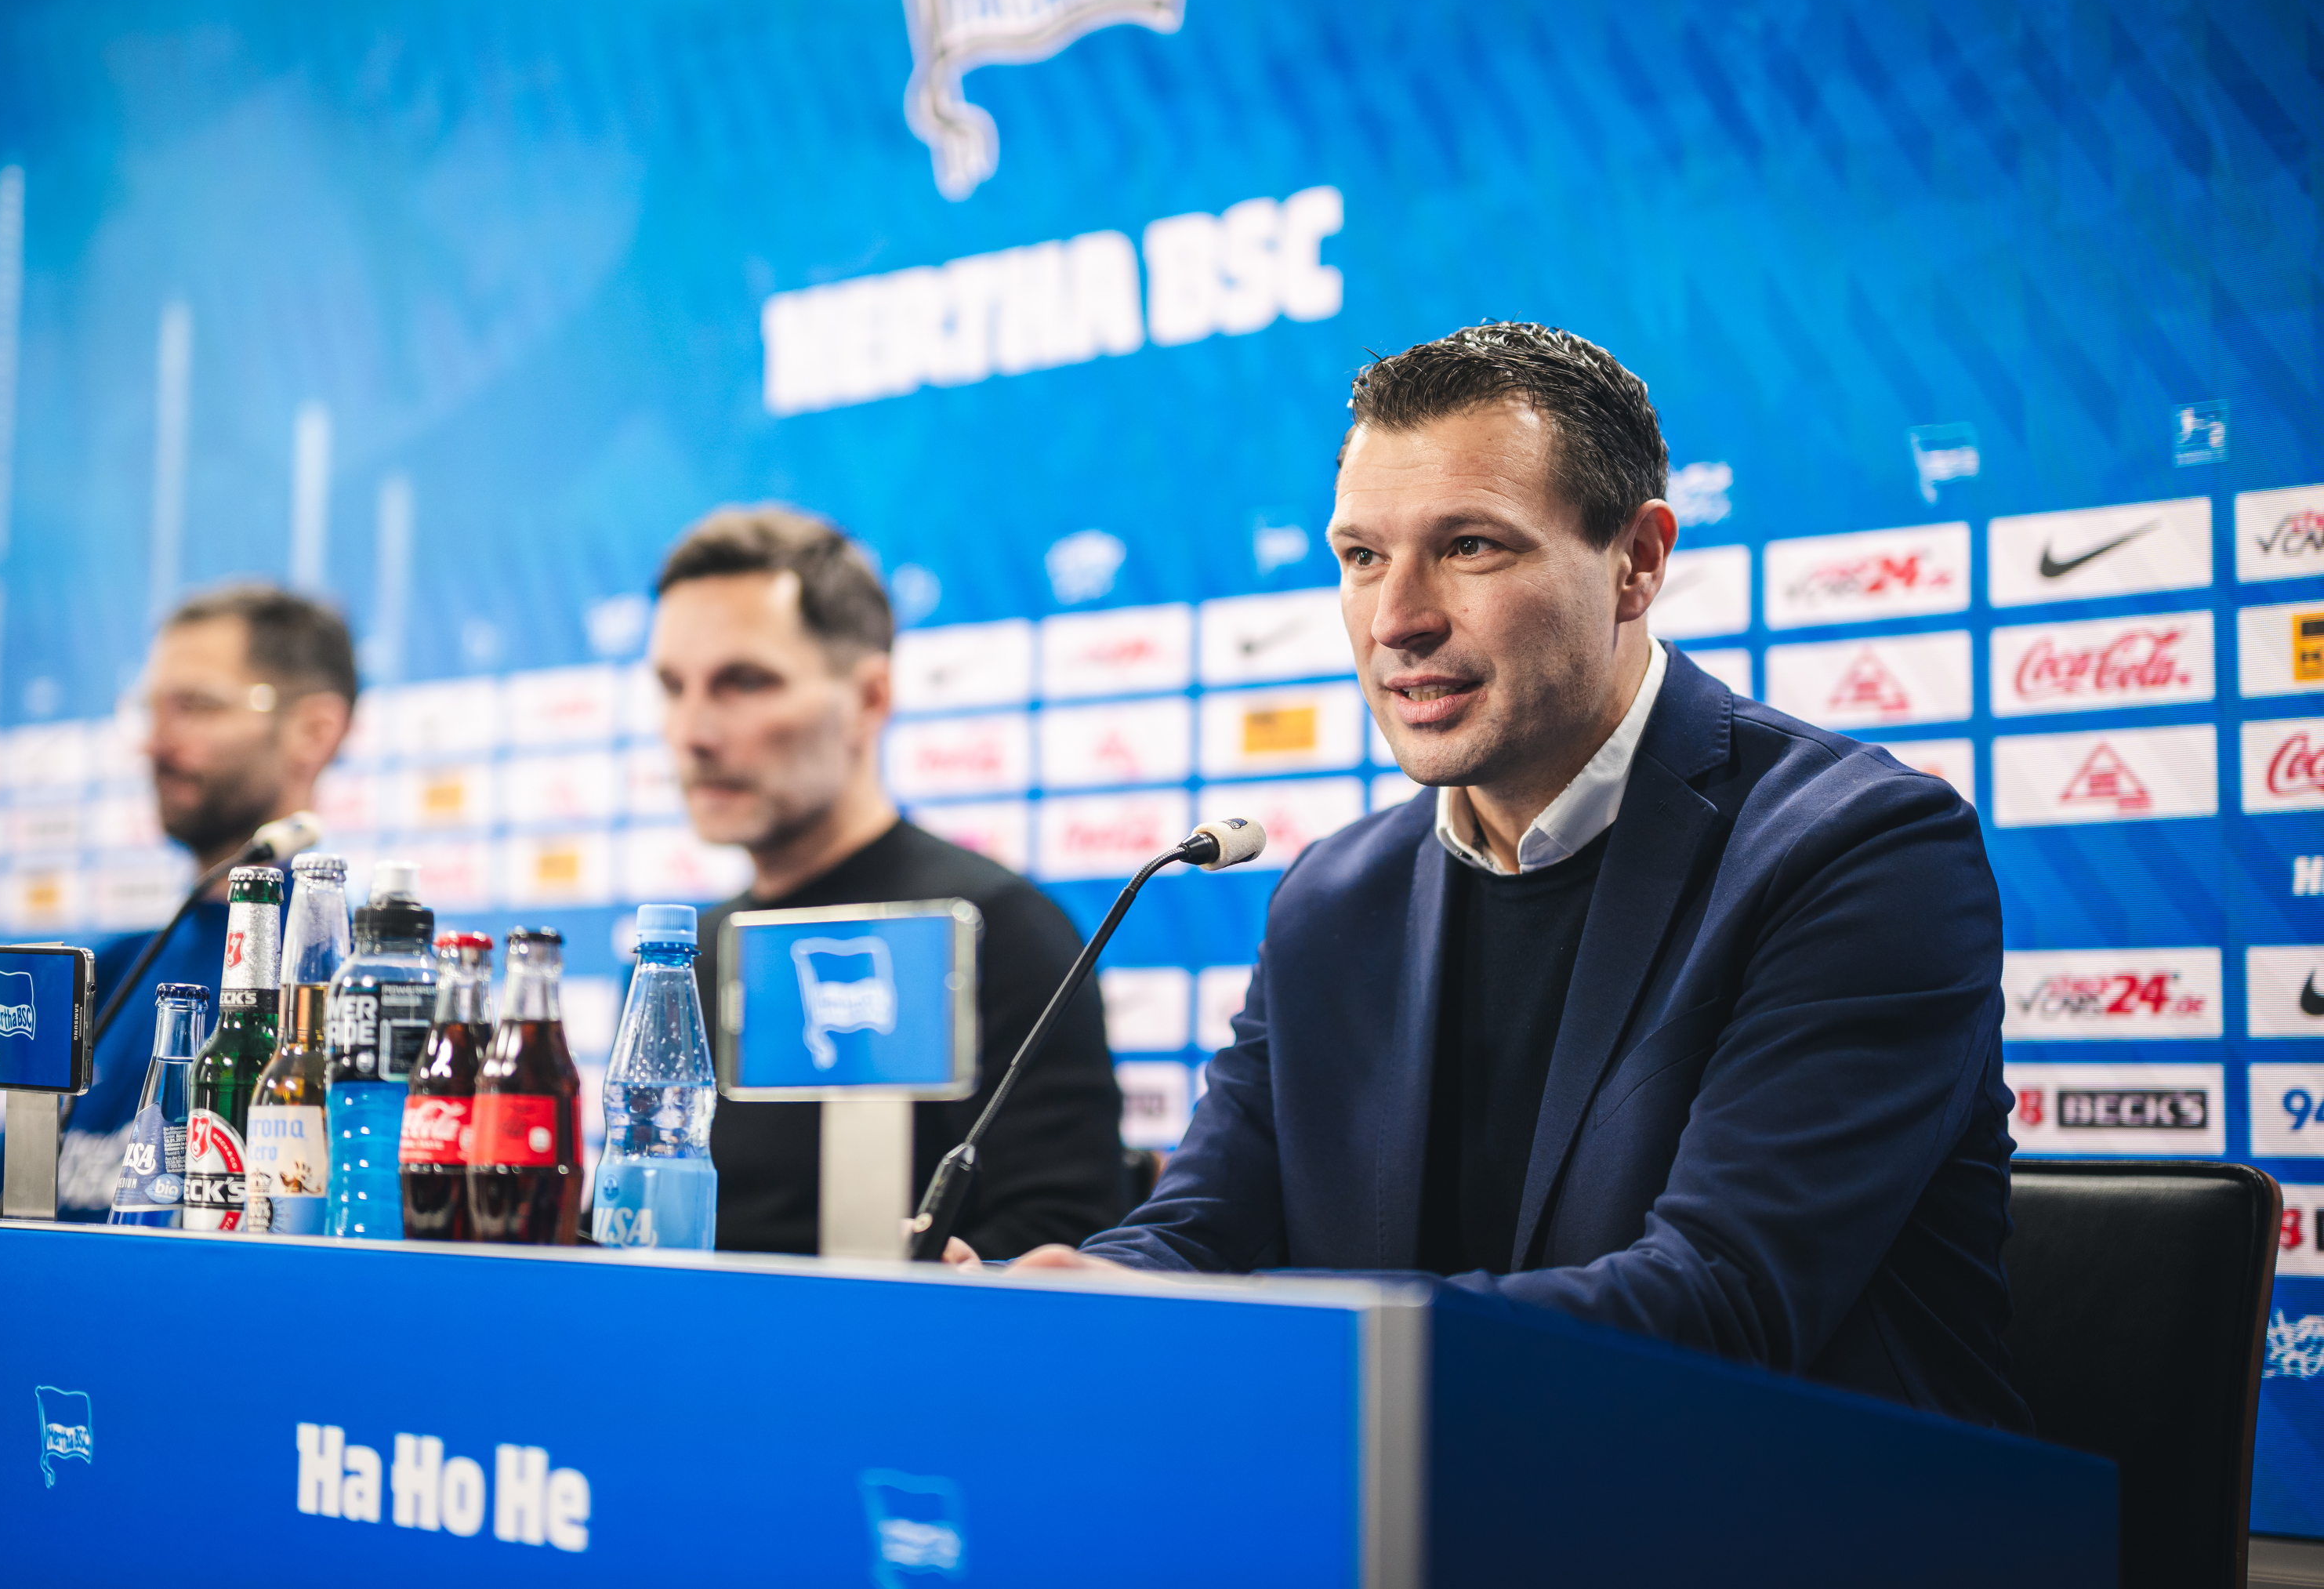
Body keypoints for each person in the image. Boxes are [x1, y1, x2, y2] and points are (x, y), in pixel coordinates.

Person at [957, 323, 2027, 1431]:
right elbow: (1199, 1228)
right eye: (1362, 556)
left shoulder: (1858, 849)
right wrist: (1093, 1295)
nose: (1398, 618)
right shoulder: (1336, 894)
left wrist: (1257, 1332)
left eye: (1469, 545)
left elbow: (1722, 1305)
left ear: (1638, 561)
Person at [649, 506, 1126, 1259]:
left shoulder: (998, 928)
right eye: (674, 686)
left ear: (870, 699)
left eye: (743, 682)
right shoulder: (679, 959)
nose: (694, 733)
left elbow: (1062, 1238)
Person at [55, 582, 354, 1219]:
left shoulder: (351, 992)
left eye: (195, 706)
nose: (156, 744)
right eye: (152, 709)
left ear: (314, 731)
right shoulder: (104, 974)